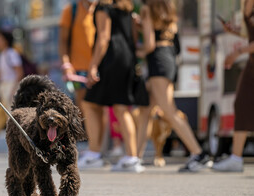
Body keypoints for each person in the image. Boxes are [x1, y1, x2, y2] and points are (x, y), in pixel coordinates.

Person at [137, 0, 209, 172]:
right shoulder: (169, 8)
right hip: (169, 59)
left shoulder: (147, 9)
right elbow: (169, 39)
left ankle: (198, 154)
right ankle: (134, 157)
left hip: (158, 61)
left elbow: (149, 45)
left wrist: (132, 51)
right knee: (146, 110)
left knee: (169, 111)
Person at [85, 0, 146, 172]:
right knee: (121, 108)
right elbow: (134, 37)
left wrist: (93, 66)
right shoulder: (126, 8)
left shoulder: (103, 8)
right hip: (127, 59)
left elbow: (103, 38)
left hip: (111, 60)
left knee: (90, 104)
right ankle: (132, 158)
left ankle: (93, 154)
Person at [213, 0, 254, 172]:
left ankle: (236, 158)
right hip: (252, 64)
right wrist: (234, 32)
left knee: (242, 104)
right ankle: (236, 158)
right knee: (242, 104)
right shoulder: (246, 5)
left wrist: (237, 53)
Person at [59, 0, 97, 115]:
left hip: (100, 68)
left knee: (100, 109)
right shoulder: (70, 11)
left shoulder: (102, 9)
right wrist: (66, 65)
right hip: (79, 72)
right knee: (83, 109)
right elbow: (63, 42)